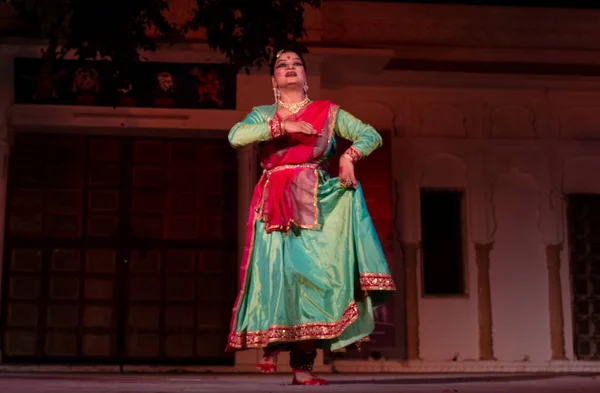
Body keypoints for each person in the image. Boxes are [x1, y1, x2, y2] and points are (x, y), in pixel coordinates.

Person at [226, 47, 396, 386]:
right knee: (277, 278)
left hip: (314, 198)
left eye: (296, 64)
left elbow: (370, 135)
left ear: (305, 76)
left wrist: (349, 156)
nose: (289, 68)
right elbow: (235, 136)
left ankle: (303, 364)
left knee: (314, 281)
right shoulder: (263, 114)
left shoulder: (327, 112)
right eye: (281, 65)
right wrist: (281, 125)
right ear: (274, 79)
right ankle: (278, 351)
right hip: (274, 201)